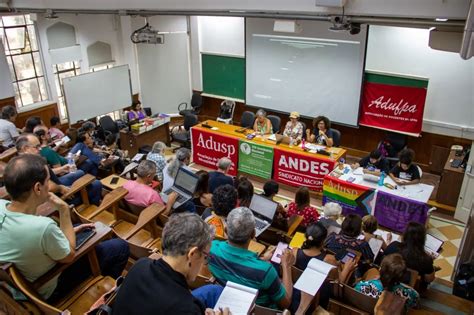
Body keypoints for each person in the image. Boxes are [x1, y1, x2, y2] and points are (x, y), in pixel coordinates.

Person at [0, 154, 129, 301]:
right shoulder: (43, 227)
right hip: (49, 287)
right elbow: (69, 256)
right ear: (37, 188)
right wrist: (63, 209)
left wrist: (63, 233)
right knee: (119, 247)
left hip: (20, 284)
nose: (49, 186)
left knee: (79, 228)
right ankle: (106, 295)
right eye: (47, 181)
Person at [113, 213, 229, 315]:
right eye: (205, 256)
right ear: (192, 254)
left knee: (212, 291)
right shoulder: (187, 309)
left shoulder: (140, 265)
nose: (204, 263)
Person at [208, 207, 295, 309]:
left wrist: (259, 260)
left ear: (226, 230)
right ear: (253, 234)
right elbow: (286, 303)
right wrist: (286, 265)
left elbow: (236, 267)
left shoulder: (211, 248)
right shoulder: (266, 270)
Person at [16, 134, 103, 206]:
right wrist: (60, 188)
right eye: (37, 146)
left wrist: (62, 168)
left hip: (56, 183)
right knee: (96, 184)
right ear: (25, 148)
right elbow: (48, 187)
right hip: (58, 196)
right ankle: (91, 206)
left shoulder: (20, 161)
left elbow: (46, 174)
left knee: (80, 172)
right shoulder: (31, 166)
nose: (40, 149)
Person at [291, 222, 356, 311]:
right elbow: (337, 285)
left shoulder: (294, 252)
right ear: (323, 241)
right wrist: (347, 269)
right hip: (317, 301)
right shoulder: (328, 259)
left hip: (295, 294)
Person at [354, 254, 420, 311]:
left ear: (380, 269)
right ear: (402, 277)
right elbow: (415, 308)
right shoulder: (411, 294)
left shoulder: (362, 286)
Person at [384, 222, 436, 289]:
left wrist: (388, 241)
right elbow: (429, 279)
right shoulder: (425, 259)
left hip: (390, 283)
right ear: (422, 239)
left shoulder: (393, 246)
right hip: (414, 289)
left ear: (405, 235)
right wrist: (431, 261)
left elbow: (385, 259)